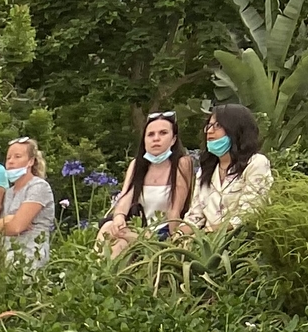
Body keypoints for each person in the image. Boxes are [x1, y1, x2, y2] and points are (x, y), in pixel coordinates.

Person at [99, 112, 193, 252]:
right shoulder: (137, 165)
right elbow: (125, 198)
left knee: (121, 239)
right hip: (140, 227)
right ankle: (99, 271)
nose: (156, 139)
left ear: (173, 140)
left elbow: (175, 211)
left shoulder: (182, 163)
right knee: (110, 230)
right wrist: (119, 217)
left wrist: (175, 243)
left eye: (163, 133)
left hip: (164, 232)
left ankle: (103, 272)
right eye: (151, 134)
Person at [184, 103, 274, 234]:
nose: (209, 131)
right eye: (208, 126)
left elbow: (249, 213)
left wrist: (208, 233)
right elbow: (195, 217)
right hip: (206, 247)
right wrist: (179, 234)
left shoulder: (256, 163)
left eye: (218, 126)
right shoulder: (207, 169)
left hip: (240, 244)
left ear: (236, 129)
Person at [0, 137, 55, 264]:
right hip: (3, 258)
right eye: (8, 158)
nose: (11, 162)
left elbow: (16, 227)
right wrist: (5, 221)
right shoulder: (8, 192)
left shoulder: (39, 186)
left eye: (17, 156)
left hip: (29, 259)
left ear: (30, 161)